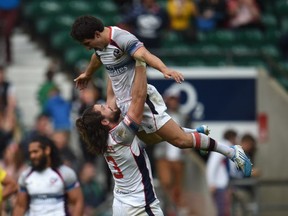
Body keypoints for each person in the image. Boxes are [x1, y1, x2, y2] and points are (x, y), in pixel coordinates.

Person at [70, 15, 252, 177]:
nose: (87, 48)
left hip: (140, 100)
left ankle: (231, 152)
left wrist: (165, 69)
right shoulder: (100, 46)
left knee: (181, 142)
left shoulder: (122, 38)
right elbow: (98, 58)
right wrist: (88, 74)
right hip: (123, 102)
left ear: (96, 34)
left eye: (87, 44)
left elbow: (144, 55)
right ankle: (193, 132)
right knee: (148, 138)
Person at [76, 61, 164, 215]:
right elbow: (138, 98)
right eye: (103, 107)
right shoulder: (121, 135)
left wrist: (112, 63)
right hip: (140, 206)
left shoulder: (106, 137)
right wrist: (141, 64)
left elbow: (111, 95)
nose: (107, 105)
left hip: (121, 204)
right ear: (104, 121)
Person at [12, 135, 84, 216]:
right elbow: (20, 206)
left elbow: (77, 202)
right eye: (30, 153)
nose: (32, 156)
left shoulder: (65, 173)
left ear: (47, 150)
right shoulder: (25, 176)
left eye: (35, 152)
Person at [206, 129, 238, 216]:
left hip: (224, 185)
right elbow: (212, 166)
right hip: (219, 185)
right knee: (223, 211)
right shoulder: (224, 147)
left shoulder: (226, 147)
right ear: (232, 138)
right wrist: (211, 183)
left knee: (225, 211)